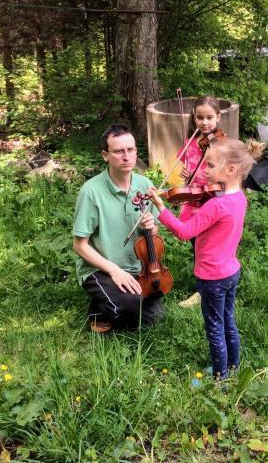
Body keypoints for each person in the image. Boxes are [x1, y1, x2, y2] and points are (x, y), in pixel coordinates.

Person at [147, 138, 256, 379]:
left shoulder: (216, 206)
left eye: (210, 165)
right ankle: (233, 368)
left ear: (230, 170)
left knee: (214, 328)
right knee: (228, 321)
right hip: (231, 271)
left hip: (212, 276)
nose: (204, 170)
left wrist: (161, 207)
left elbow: (184, 232)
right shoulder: (239, 199)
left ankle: (220, 377)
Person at [72, 124, 164, 333]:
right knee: (129, 308)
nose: (126, 156)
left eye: (130, 150)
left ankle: (120, 300)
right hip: (100, 268)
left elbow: (154, 233)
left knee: (155, 316)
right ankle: (98, 309)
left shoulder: (143, 184)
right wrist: (114, 271)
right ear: (105, 155)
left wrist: (150, 227)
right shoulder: (91, 192)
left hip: (137, 267)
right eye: (118, 151)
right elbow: (79, 246)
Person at [176, 95, 224, 307]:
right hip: (195, 202)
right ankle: (204, 285)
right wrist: (185, 174)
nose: (204, 123)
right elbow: (187, 170)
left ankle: (205, 289)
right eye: (199, 118)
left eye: (209, 118)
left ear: (218, 118)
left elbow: (229, 174)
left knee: (210, 246)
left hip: (213, 200)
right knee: (197, 245)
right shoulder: (190, 143)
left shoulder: (222, 144)